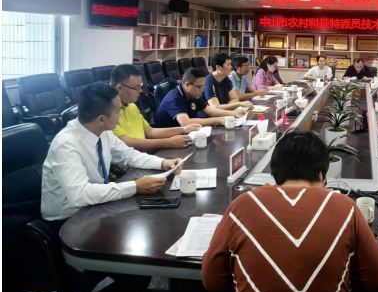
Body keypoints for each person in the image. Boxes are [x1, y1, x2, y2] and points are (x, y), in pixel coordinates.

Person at [202, 130, 378, 292]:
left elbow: (213, 281)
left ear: (276, 173)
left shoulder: (242, 205)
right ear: (321, 176)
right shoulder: (346, 207)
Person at [41, 82, 182, 222]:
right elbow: (80, 195)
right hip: (69, 218)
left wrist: (163, 163)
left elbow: (128, 155)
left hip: (96, 204)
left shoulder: (102, 131)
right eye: (118, 111)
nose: (120, 116)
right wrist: (135, 186)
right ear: (101, 119)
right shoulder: (66, 145)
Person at [110, 64, 197, 151]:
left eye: (140, 86)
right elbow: (127, 143)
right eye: (136, 88)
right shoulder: (109, 113)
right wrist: (169, 142)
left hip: (143, 155)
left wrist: (184, 129)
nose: (140, 91)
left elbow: (150, 132)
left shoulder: (132, 106)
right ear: (119, 88)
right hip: (131, 158)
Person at [155, 68, 245, 128]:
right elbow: (185, 122)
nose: (202, 90)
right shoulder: (174, 98)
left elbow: (210, 111)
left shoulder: (194, 94)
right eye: (199, 87)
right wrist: (218, 120)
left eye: (204, 86)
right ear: (187, 85)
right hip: (169, 137)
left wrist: (234, 113)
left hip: (187, 132)